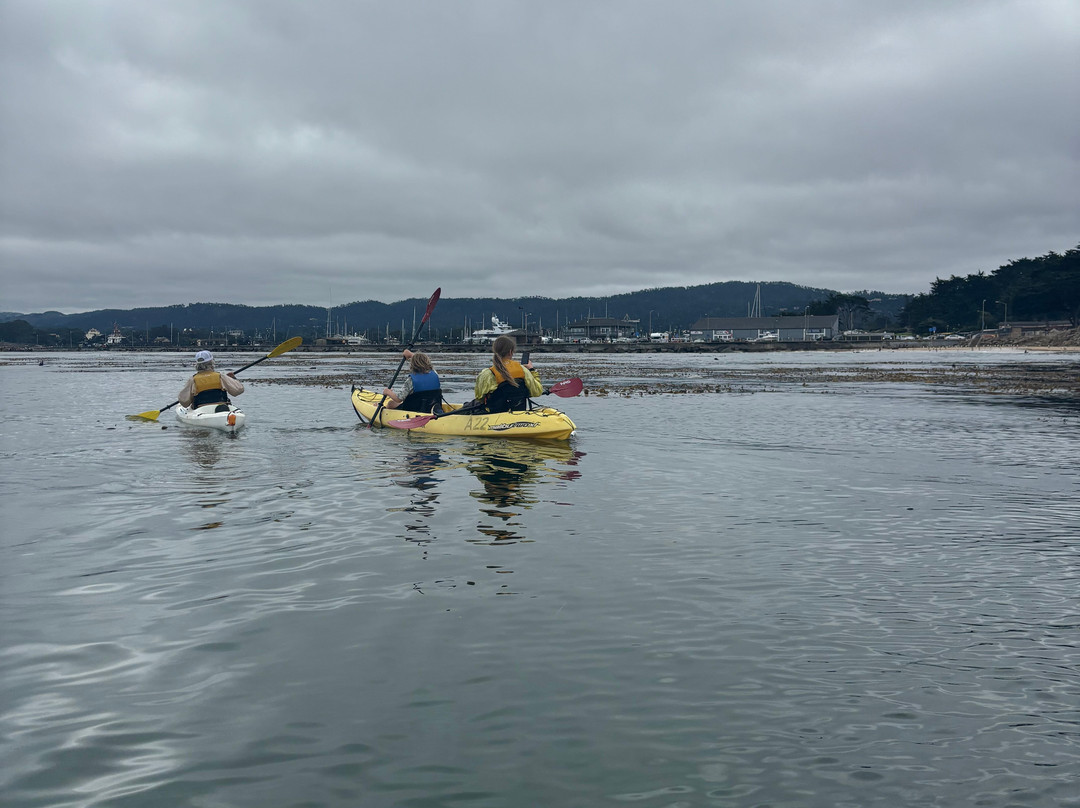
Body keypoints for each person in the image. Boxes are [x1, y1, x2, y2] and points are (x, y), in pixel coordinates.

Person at [474, 336, 542, 413]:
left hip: (494, 415)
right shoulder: (523, 370)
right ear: (510, 352)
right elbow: (537, 392)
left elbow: (479, 397)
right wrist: (531, 370)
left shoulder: (487, 373)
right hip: (518, 414)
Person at [178, 350, 244, 409]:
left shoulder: (193, 379)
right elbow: (238, 390)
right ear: (212, 362)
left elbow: (184, 402)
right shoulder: (220, 376)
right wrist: (233, 378)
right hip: (221, 407)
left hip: (201, 409)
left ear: (197, 364)